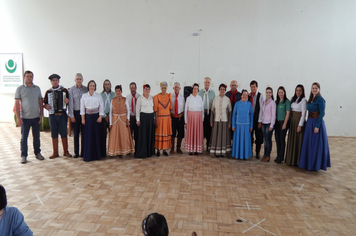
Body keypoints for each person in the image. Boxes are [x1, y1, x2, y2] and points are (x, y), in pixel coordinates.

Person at [14, 70, 45, 164]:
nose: (29, 78)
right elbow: (16, 103)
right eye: (27, 76)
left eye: (31, 76)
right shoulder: (20, 89)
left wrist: (41, 115)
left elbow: (40, 102)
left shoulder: (37, 88)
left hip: (36, 117)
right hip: (24, 118)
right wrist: (18, 117)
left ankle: (37, 153)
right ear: (24, 77)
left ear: (33, 77)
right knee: (24, 138)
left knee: (37, 137)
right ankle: (23, 156)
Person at [298, 82, 331, 171]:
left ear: (319, 89)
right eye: (313, 88)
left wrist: (317, 126)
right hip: (309, 123)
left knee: (315, 145)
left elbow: (322, 113)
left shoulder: (320, 99)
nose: (314, 90)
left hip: (316, 123)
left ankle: (315, 165)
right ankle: (308, 163)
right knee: (309, 144)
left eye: (316, 88)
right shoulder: (311, 99)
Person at [43, 74, 72, 159]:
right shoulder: (48, 92)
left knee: (64, 133)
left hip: (62, 115)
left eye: (56, 80)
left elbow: (70, 102)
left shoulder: (64, 90)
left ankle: (66, 151)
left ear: (59, 81)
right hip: (52, 115)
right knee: (54, 134)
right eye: (53, 80)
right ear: (51, 82)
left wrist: (68, 101)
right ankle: (55, 152)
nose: (55, 82)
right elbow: (44, 103)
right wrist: (45, 106)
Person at [80, 80, 104, 162]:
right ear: (88, 86)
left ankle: (97, 155)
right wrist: (83, 118)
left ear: (95, 87)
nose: (92, 87)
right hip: (87, 118)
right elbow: (82, 108)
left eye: (93, 86)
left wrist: (100, 117)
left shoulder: (98, 96)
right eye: (91, 85)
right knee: (88, 136)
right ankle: (88, 155)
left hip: (96, 117)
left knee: (96, 136)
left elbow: (101, 107)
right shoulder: (84, 96)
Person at [108, 85, 134, 157]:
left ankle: (124, 151)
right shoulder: (112, 100)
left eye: (119, 91)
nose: (118, 92)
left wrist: (128, 119)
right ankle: (115, 151)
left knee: (123, 135)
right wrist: (110, 123)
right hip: (115, 121)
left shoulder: (125, 100)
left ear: (121, 92)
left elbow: (128, 110)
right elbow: (110, 112)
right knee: (115, 136)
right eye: (116, 91)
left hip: (123, 120)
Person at [285, 85, 307, 166]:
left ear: (302, 91)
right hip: (292, 121)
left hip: (298, 121)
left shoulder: (303, 100)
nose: (298, 92)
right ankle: (291, 159)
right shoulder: (293, 99)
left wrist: (300, 125)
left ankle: (297, 161)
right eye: (297, 90)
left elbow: (304, 113)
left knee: (298, 141)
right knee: (292, 140)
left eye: (300, 90)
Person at [68, 73, 88, 158]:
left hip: (84, 114)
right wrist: (71, 115)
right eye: (77, 79)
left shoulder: (86, 89)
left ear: (82, 80)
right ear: (75, 80)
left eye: (80, 79)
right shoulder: (71, 90)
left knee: (84, 133)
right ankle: (76, 152)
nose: (79, 80)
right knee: (76, 134)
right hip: (76, 113)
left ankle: (84, 151)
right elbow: (70, 104)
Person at [209, 83, 232, 157]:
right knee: (216, 135)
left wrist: (229, 122)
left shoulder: (227, 99)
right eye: (221, 89)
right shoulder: (215, 99)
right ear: (219, 90)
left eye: (223, 89)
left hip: (225, 121)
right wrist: (211, 121)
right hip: (216, 120)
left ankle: (223, 152)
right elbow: (212, 110)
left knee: (224, 136)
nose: (222, 91)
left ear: (225, 90)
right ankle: (215, 151)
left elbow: (230, 112)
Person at [232, 90, 253, 159]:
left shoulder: (249, 104)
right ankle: (237, 154)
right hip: (238, 126)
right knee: (238, 141)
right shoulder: (237, 104)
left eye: (246, 95)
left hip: (247, 126)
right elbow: (234, 115)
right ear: (241, 95)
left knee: (246, 141)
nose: (245, 96)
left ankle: (245, 155)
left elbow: (251, 116)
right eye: (243, 94)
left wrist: (251, 126)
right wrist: (233, 125)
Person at [135, 84, 155, 159]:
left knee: (150, 135)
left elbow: (154, 108)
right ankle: (143, 152)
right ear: (143, 90)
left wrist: (154, 118)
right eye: (145, 89)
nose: (147, 90)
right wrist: (138, 119)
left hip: (150, 117)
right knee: (143, 136)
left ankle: (150, 152)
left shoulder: (152, 98)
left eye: (148, 89)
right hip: (143, 117)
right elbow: (137, 109)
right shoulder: (140, 98)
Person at [185, 83, 204, 155]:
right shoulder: (188, 98)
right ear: (192, 89)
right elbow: (186, 110)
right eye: (194, 88)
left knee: (197, 133)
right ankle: (190, 149)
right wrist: (186, 121)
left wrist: (202, 119)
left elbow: (202, 109)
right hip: (190, 117)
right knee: (191, 133)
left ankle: (196, 149)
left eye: (197, 89)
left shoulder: (200, 98)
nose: (195, 90)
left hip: (198, 118)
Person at [154, 81, 172, 156]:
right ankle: (158, 150)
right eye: (162, 87)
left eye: (165, 87)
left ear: (166, 88)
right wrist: (156, 119)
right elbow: (155, 109)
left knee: (166, 133)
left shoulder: (169, 96)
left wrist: (170, 119)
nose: (164, 89)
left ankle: (165, 150)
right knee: (159, 133)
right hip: (160, 118)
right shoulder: (156, 97)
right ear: (160, 88)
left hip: (167, 118)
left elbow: (170, 108)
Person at [274, 86, 291, 164]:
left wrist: (284, 124)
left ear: (284, 93)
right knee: (277, 139)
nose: (280, 94)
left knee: (281, 140)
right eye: (279, 92)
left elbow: (288, 114)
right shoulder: (276, 102)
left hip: (283, 122)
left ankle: (281, 157)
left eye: (282, 92)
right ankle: (278, 156)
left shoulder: (286, 102)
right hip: (277, 123)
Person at [198, 77, 215, 151]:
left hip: (210, 113)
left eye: (208, 82)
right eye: (206, 82)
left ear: (210, 83)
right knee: (201, 131)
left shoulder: (213, 92)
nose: (207, 83)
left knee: (209, 131)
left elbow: (214, 104)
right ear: (203, 83)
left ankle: (208, 146)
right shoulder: (200, 92)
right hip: (201, 114)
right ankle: (200, 147)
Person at [100, 79, 116, 157]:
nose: (107, 86)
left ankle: (113, 151)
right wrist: (104, 116)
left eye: (108, 84)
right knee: (103, 135)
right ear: (104, 86)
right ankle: (103, 152)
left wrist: (111, 116)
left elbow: (116, 106)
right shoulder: (100, 95)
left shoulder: (114, 95)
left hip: (112, 117)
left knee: (113, 135)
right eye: (106, 84)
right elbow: (100, 107)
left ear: (110, 86)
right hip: (103, 117)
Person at [260, 87, 276, 162]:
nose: (268, 94)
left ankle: (268, 155)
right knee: (265, 140)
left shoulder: (272, 103)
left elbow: (273, 115)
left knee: (268, 140)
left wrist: (271, 125)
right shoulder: (264, 102)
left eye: (270, 92)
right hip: (264, 123)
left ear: (272, 94)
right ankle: (265, 154)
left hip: (269, 123)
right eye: (267, 92)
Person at [249, 80, 264, 159]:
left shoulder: (260, 96)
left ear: (257, 87)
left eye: (254, 87)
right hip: (250, 120)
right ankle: (250, 151)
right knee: (250, 136)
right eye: (251, 87)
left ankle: (257, 152)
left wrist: (260, 121)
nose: (253, 88)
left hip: (257, 119)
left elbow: (261, 109)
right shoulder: (248, 95)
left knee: (258, 136)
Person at [170, 82, 185, 154]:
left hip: (180, 117)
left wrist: (184, 120)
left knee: (180, 133)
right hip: (172, 117)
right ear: (173, 88)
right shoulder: (170, 97)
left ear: (180, 88)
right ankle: (172, 148)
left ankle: (178, 148)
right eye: (175, 87)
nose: (176, 88)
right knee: (172, 133)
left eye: (177, 87)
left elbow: (184, 109)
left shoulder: (182, 98)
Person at [127, 82, 141, 147]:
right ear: (130, 89)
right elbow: (126, 109)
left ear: (136, 88)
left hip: (137, 118)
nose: (133, 89)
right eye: (131, 88)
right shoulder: (127, 97)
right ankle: (130, 149)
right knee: (129, 135)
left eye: (134, 88)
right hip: (130, 118)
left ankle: (137, 149)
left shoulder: (139, 97)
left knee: (137, 135)